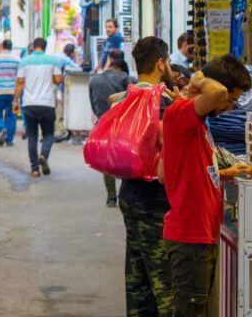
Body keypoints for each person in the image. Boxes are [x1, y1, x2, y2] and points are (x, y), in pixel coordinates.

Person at [163, 56, 252, 317]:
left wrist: (224, 173)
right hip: (190, 237)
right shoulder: (182, 112)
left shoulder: (195, 121)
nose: (229, 108)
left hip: (199, 234)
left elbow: (182, 170)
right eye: (230, 100)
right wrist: (199, 78)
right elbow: (217, 92)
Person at [116, 37, 176, 317]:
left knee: (137, 275)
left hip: (130, 193)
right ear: (161, 64)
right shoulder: (159, 100)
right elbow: (165, 142)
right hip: (154, 198)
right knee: (163, 281)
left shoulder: (127, 96)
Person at [88, 51, 134, 207]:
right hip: (123, 125)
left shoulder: (94, 79)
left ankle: (111, 197)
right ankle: (125, 194)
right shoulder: (125, 78)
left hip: (103, 124)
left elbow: (92, 103)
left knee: (107, 161)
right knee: (126, 160)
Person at [13, 38, 62, 178]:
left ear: (33, 47)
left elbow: (20, 82)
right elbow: (58, 80)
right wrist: (50, 78)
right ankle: (44, 155)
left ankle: (35, 169)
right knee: (48, 134)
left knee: (32, 136)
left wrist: (15, 100)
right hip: (47, 103)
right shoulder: (53, 61)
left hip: (29, 104)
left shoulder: (24, 61)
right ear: (45, 47)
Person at [0, 39, 21, 147]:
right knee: (11, 115)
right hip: (13, 92)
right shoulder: (17, 60)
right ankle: (9, 140)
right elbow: (20, 77)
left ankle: (1, 128)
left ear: (2, 46)